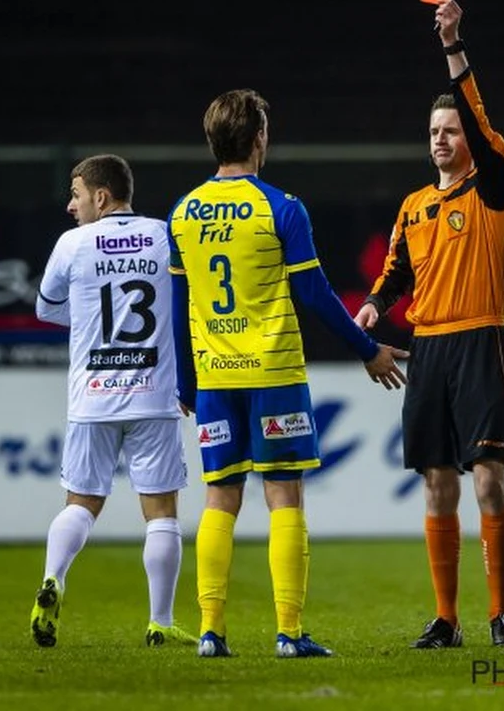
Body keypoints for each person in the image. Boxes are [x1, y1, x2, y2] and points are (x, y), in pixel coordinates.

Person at [169, 90, 408, 659]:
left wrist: (186, 382)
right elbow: (315, 294)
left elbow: (182, 307)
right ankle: (289, 633)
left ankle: (210, 631)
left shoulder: (182, 212)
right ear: (258, 140)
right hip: (274, 373)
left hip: (215, 379)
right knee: (285, 497)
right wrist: (366, 347)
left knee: (219, 499)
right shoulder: (281, 207)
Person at [353, 0, 504, 649]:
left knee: (488, 479)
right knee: (436, 483)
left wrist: (454, 49)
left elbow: (481, 127)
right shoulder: (414, 205)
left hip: (480, 340)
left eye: (450, 131)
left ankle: (500, 613)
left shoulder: (492, 187)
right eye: (434, 133)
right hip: (430, 349)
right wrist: (373, 305)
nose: (441, 140)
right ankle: (447, 618)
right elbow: (396, 271)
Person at [31, 154, 196, 649]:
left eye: (76, 194)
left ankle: (54, 579)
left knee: (81, 502)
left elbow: (44, 307)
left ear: (101, 197)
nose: (70, 205)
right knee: (161, 511)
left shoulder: (72, 244)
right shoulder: (165, 234)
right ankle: (159, 622)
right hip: (153, 393)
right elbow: (186, 301)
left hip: (92, 397)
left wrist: (86, 318)